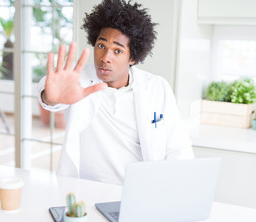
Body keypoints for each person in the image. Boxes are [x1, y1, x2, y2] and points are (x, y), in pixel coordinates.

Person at [37, 0, 194, 185]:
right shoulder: (78, 80)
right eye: (101, 46)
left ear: (133, 57)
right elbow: (50, 95)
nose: (105, 58)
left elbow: (178, 148)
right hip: (84, 190)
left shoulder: (157, 88)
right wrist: (50, 97)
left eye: (117, 51)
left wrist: (169, 188)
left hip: (138, 191)